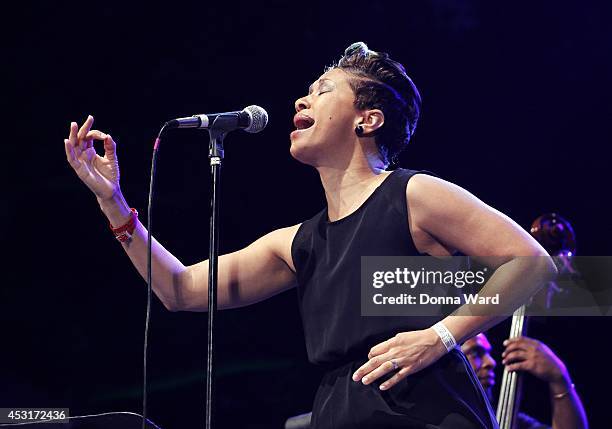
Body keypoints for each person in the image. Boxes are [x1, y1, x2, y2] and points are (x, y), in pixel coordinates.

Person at [63, 42, 556, 428]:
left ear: (369, 119)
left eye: (323, 89)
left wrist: (439, 337)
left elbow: (531, 262)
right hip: (340, 412)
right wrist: (114, 202)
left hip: (426, 410)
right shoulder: (298, 243)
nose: (302, 98)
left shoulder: (415, 194)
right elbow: (181, 290)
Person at [462, 333, 588, 429]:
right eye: (475, 353)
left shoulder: (503, 419)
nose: (491, 362)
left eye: (488, 353)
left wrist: (559, 379)